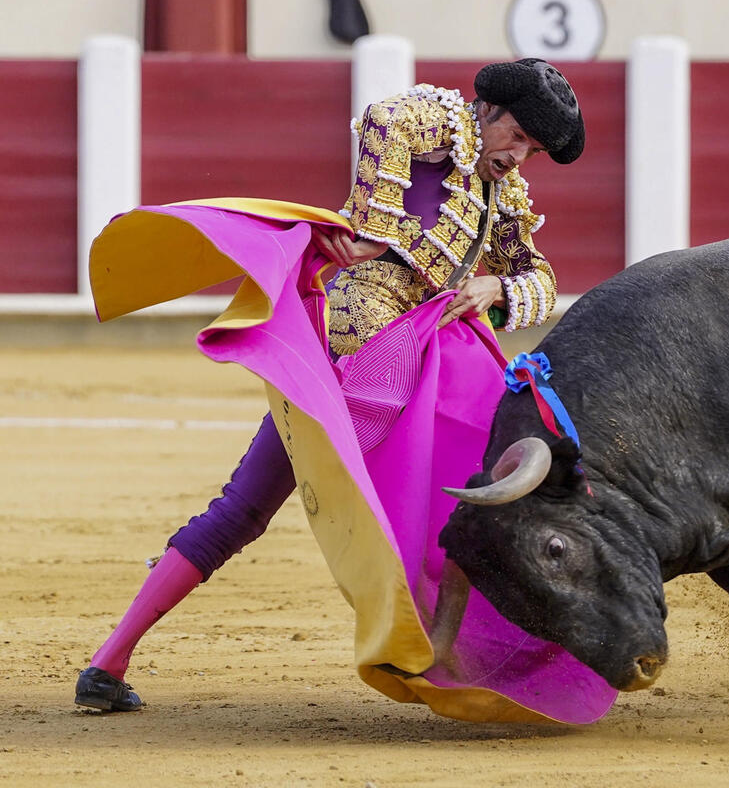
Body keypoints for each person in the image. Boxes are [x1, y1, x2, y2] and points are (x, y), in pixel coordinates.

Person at [74, 57, 585, 713]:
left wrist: (498, 285)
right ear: (489, 110)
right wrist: (373, 228)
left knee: (245, 509)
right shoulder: (448, 126)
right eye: (519, 137)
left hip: (407, 364)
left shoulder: (500, 192)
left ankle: (107, 663)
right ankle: (108, 663)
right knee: (421, 501)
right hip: (355, 350)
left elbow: (540, 279)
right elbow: (383, 120)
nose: (520, 157)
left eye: (535, 150)